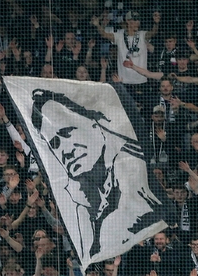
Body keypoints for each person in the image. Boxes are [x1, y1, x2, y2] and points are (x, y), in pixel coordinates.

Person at [28, 87, 163, 263]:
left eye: (67, 132)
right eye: (54, 143)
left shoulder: (133, 166)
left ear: (93, 124)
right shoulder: (74, 196)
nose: (64, 151)